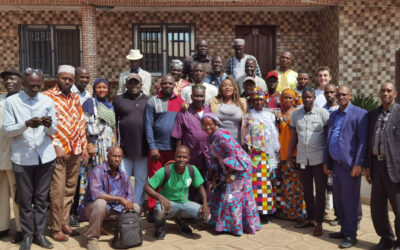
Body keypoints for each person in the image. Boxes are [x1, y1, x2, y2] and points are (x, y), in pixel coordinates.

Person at [3, 69, 57, 250]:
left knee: (41, 199)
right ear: (23, 84)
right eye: (31, 86)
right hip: (22, 158)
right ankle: (27, 235)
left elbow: (54, 131)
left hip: (45, 157)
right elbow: (7, 130)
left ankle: (39, 234)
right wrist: (25, 124)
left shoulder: (47, 101)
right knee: (25, 200)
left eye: (38, 86)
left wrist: (49, 126)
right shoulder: (12, 102)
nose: (35, 89)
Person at [43, 65, 89, 242]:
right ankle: (55, 228)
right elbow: (44, 127)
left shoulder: (75, 97)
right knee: (57, 190)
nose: (67, 82)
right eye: (64, 79)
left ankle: (63, 223)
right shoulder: (47, 97)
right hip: (57, 152)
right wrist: (55, 146)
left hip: (75, 150)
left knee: (70, 189)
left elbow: (80, 123)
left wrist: (84, 146)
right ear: (57, 78)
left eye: (70, 79)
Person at [324, 85, 368, 248]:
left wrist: (358, 164)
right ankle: (343, 229)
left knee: (350, 201)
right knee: (339, 200)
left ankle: (351, 234)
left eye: (344, 94)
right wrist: (326, 162)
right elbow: (329, 138)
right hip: (336, 165)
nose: (340, 97)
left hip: (350, 166)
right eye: (339, 94)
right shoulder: (334, 115)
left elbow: (363, 141)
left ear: (350, 96)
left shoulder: (360, 114)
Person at [202, 113, 261, 235]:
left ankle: (237, 227)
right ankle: (226, 225)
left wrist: (230, 174)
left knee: (233, 195)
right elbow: (215, 161)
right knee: (223, 192)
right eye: (204, 125)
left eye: (210, 124)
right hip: (228, 167)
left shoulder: (221, 134)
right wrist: (213, 179)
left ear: (216, 124)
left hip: (240, 167)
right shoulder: (211, 137)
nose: (207, 127)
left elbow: (234, 154)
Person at [287, 88, 329, 237]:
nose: (307, 100)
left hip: (319, 159)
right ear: (302, 98)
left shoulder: (322, 113)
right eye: (305, 97)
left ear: (314, 98)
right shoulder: (296, 115)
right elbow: (293, 136)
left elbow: (328, 135)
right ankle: (310, 218)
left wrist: (328, 158)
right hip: (303, 159)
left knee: (320, 190)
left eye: (310, 97)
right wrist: (289, 156)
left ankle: (319, 222)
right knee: (307, 190)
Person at [79, 146, 140, 250]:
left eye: (119, 157)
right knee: (101, 203)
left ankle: (122, 231)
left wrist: (128, 203)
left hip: (114, 210)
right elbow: (97, 194)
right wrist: (120, 199)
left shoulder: (123, 175)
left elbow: (130, 195)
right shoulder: (98, 170)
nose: (117, 159)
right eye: (114, 156)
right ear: (108, 156)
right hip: (93, 209)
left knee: (137, 207)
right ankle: (91, 239)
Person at [144, 145, 210, 239]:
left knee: (207, 216)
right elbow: (146, 187)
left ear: (189, 158)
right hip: (168, 204)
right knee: (159, 210)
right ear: (174, 157)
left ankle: (181, 220)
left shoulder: (192, 170)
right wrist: (160, 197)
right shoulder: (165, 170)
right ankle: (160, 226)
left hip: (184, 203)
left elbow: (200, 188)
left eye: (184, 157)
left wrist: (205, 203)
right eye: (179, 156)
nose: (181, 159)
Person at [365, 82, 400, 250]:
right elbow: (367, 142)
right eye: (383, 90)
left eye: (389, 90)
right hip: (376, 165)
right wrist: (367, 166)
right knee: (377, 207)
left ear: (395, 93)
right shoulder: (372, 115)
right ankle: (386, 239)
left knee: (399, 208)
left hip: (395, 168)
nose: (385, 93)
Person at [145, 74, 184, 220]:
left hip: (173, 148)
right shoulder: (153, 101)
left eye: (170, 83)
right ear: (161, 85)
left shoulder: (181, 102)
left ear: (174, 85)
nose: (167, 86)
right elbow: (148, 125)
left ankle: (170, 207)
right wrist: (152, 146)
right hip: (157, 149)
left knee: (171, 179)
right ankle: (152, 209)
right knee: (155, 179)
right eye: (165, 83)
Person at [79, 78, 117, 213]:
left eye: (104, 87)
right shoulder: (90, 103)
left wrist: (115, 146)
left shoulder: (110, 105)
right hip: (97, 146)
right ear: (94, 89)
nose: (102, 90)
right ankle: (90, 207)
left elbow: (112, 127)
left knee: (107, 175)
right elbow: (85, 126)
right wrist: (89, 145)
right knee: (94, 175)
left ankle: (105, 206)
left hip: (109, 145)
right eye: (99, 87)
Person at [243, 87, 280, 223]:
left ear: (265, 101)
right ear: (253, 100)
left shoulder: (270, 115)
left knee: (267, 185)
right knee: (255, 184)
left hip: (268, 155)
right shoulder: (248, 116)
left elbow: (274, 135)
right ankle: (255, 212)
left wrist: (275, 154)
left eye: (261, 100)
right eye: (256, 100)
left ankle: (266, 213)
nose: (259, 102)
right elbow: (245, 136)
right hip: (254, 155)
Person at [114, 73, 149, 206]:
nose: (133, 85)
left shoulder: (148, 101)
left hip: (143, 148)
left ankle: (137, 204)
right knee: (124, 177)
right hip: (124, 148)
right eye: (131, 83)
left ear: (141, 85)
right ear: (126, 85)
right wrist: (116, 145)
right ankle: (124, 203)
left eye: (136, 83)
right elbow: (114, 124)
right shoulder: (119, 100)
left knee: (140, 178)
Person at [274, 89, 307, 222]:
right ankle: (289, 211)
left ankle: (299, 212)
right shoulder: (279, 113)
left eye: (290, 98)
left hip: (293, 154)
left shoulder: (297, 113)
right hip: (281, 154)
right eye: (285, 98)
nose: (287, 100)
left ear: (294, 100)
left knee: (296, 185)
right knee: (286, 185)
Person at [0, 70, 23, 243]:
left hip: (18, 156)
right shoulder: (0, 100)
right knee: (1, 193)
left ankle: (22, 229)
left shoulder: (24, 101)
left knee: (18, 194)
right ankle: (2, 226)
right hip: (0, 154)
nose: (8, 81)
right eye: (5, 79)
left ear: (21, 81)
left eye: (12, 78)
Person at [172, 85, 210, 179]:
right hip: (191, 156)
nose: (199, 99)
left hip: (207, 155)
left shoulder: (209, 110)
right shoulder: (184, 112)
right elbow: (178, 136)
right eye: (196, 96)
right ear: (191, 97)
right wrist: (180, 156)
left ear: (205, 97)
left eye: (201, 96)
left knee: (206, 182)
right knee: (190, 182)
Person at [70, 66, 91, 228]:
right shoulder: (69, 93)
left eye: (86, 77)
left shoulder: (88, 95)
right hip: (68, 144)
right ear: (76, 77)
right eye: (81, 77)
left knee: (78, 180)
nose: (84, 79)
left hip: (82, 144)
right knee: (68, 181)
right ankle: (67, 213)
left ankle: (74, 212)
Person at [209, 76, 247, 144]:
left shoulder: (243, 103)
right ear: (220, 89)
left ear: (234, 88)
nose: (227, 87)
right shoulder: (213, 102)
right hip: (219, 144)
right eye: (224, 86)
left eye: (230, 85)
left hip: (237, 144)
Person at [322, 83, 339, 225]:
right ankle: (332, 212)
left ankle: (342, 217)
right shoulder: (323, 110)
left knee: (340, 187)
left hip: (341, 156)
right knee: (329, 186)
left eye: (332, 92)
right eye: (327, 93)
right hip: (328, 153)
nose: (329, 95)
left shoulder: (342, 109)